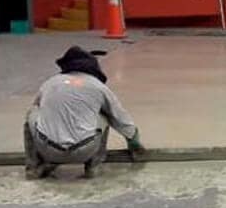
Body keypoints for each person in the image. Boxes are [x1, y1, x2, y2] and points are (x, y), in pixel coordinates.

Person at [24, 46, 146, 179]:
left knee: (33, 113)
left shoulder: (50, 83)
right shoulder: (98, 86)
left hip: (48, 149)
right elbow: (120, 117)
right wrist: (133, 141)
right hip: (85, 150)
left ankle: (34, 167)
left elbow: (39, 107)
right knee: (104, 114)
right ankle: (93, 166)